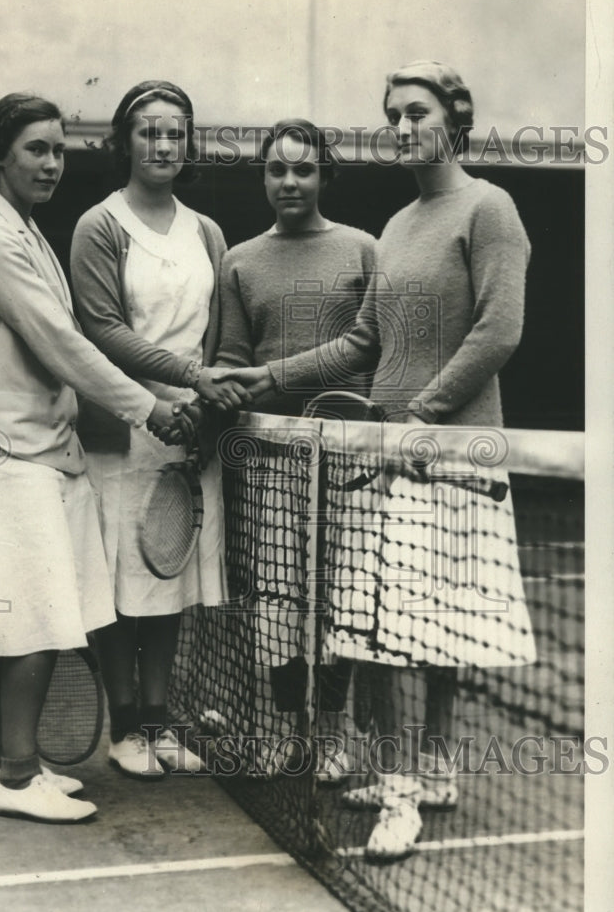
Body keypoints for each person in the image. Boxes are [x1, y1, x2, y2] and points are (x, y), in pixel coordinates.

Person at [222, 62, 536, 856]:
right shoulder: (396, 225)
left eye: (416, 112)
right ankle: (414, 769)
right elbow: (364, 340)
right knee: (394, 624)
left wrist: (419, 417)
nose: (401, 128)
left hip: (451, 452)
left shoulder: (488, 208)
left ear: (453, 117)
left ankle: (414, 782)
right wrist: (269, 375)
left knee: (430, 628)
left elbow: (498, 331)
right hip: (390, 454)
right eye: (391, 115)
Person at [0, 93, 190, 824]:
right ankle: (16, 775)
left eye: (60, 150)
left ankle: (1, 756)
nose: (50, 163)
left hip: (30, 451)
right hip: (7, 456)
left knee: (15, 621)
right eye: (36, 148)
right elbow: (61, 344)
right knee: (35, 620)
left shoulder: (23, 230)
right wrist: (152, 409)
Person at [69, 80, 249, 780]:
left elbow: (219, 333)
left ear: (188, 142)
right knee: (122, 584)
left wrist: (203, 408)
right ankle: (124, 729)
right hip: (125, 427)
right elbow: (102, 331)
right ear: (124, 142)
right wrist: (175, 391)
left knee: (168, 580)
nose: (163, 144)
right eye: (149, 132)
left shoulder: (205, 230)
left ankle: (158, 719)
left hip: (192, 429)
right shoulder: (100, 225)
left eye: (175, 132)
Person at [215, 118, 377, 781]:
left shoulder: (364, 250)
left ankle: (335, 737)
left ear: (324, 177)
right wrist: (214, 396)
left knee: (342, 598)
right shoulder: (239, 262)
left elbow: (372, 347)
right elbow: (229, 357)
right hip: (272, 461)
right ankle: (283, 730)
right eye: (277, 169)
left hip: (346, 459)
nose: (289, 181)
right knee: (278, 601)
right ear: (263, 176)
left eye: (303, 169)